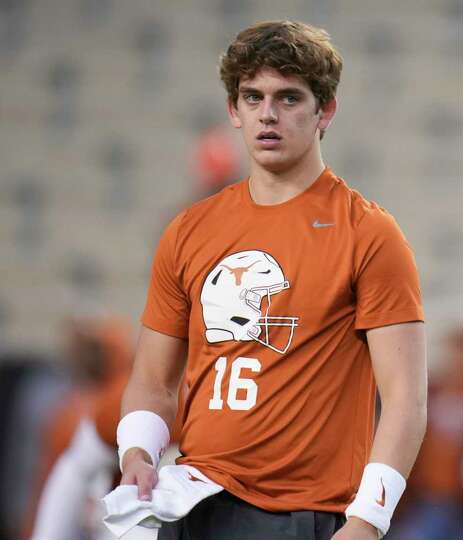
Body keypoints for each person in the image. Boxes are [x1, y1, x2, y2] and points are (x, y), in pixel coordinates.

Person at [108, 20, 426, 540]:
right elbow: (153, 379)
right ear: (234, 111)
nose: (268, 115)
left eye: (289, 98)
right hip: (191, 503)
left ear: (326, 111)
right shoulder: (189, 229)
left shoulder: (369, 233)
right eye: (252, 97)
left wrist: (369, 519)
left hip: (301, 514)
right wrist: (137, 452)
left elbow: (406, 401)